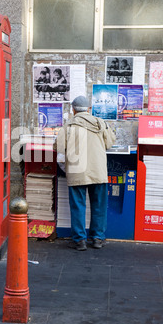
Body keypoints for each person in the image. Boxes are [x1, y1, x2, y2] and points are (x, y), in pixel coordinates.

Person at [55, 95, 116, 250]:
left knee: (78, 206)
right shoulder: (101, 124)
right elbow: (110, 143)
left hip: (77, 171)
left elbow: (59, 151)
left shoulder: (68, 127)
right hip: (98, 170)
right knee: (99, 206)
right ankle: (97, 239)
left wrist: (66, 168)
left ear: (73, 110)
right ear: (89, 109)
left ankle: (79, 240)